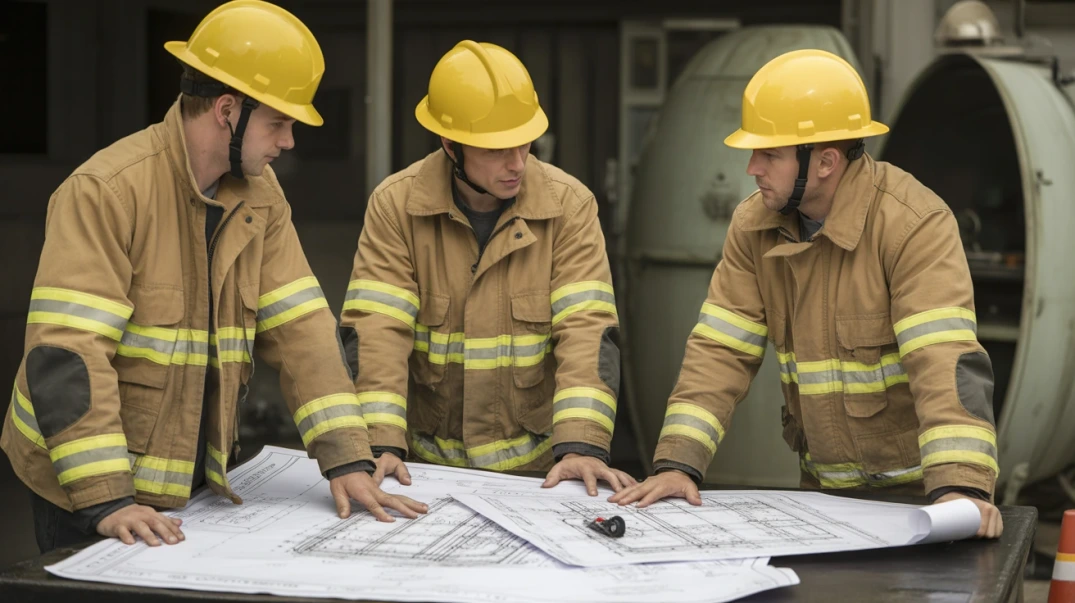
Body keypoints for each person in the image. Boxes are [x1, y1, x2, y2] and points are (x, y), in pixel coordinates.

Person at [0, 0, 425, 554]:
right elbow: (69, 353)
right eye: (279, 123)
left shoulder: (262, 198)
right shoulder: (106, 192)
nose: (289, 140)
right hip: (84, 483)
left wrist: (346, 456)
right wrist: (106, 497)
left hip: (185, 477)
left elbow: (304, 332)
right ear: (228, 110)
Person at [610, 49, 1003, 538]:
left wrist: (960, 490)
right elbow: (719, 352)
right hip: (823, 497)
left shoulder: (913, 223)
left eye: (769, 154)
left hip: (920, 497)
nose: (752, 168)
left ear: (826, 161)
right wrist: (677, 464)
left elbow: (944, 361)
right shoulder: (752, 226)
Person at [339, 40, 634, 496]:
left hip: (537, 477)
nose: (517, 163)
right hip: (421, 475)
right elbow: (378, 331)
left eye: (524, 143)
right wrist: (379, 444)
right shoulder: (396, 205)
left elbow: (586, 330)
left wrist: (582, 446)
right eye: (497, 150)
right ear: (450, 145)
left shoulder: (570, 206)